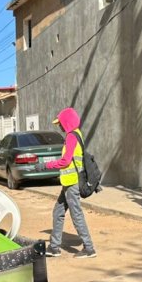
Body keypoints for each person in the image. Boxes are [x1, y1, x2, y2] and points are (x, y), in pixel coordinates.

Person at [44, 107, 97, 258]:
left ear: (66, 122)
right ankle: (54, 247)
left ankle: (89, 248)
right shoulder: (75, 134)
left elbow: (66, 160)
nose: (59, 126)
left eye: (60, 123)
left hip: (72, 182)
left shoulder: (71, 137)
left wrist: (46, 165)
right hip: (68, 182)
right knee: (58, 212)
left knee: (76, 214)